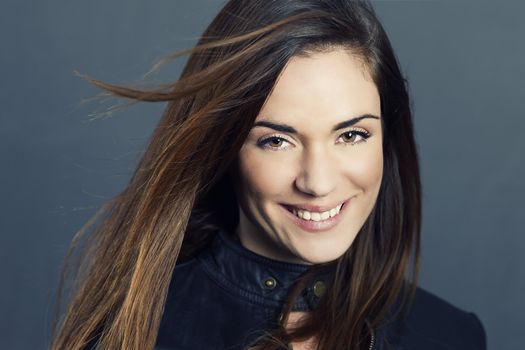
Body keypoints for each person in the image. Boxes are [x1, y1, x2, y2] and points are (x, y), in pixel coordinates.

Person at [50, 1, 486, 349]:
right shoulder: (134, 330)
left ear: (387, 138)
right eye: (277, 140)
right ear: (224, 148)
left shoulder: (450, 335)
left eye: (351, 134)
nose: (317, 182)